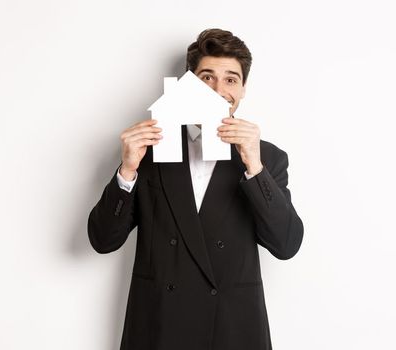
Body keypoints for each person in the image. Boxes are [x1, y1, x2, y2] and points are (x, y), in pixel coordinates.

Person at [88, 28, 304, 350]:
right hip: (159, 327)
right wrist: (128, 170)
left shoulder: (267, 157)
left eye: (231, 79)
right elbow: (103, 241)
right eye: (207, 78)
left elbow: (286, 245)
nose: (218, 90)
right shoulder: (149, 152)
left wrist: (254, 168)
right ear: (188, 85)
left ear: (243, 89)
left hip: (233, 331)